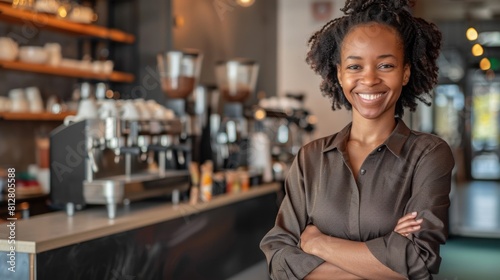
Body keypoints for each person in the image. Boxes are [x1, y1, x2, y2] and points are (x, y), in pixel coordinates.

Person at [260, 0, 455, 279]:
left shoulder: (429, 154)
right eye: (354, 67)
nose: (369, 79)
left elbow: (418, 261)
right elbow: (279, 260)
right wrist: (384, 261)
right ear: (339, 74)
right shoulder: (310, 157)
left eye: (385, 65)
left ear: (405, 72)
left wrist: (317, 243)